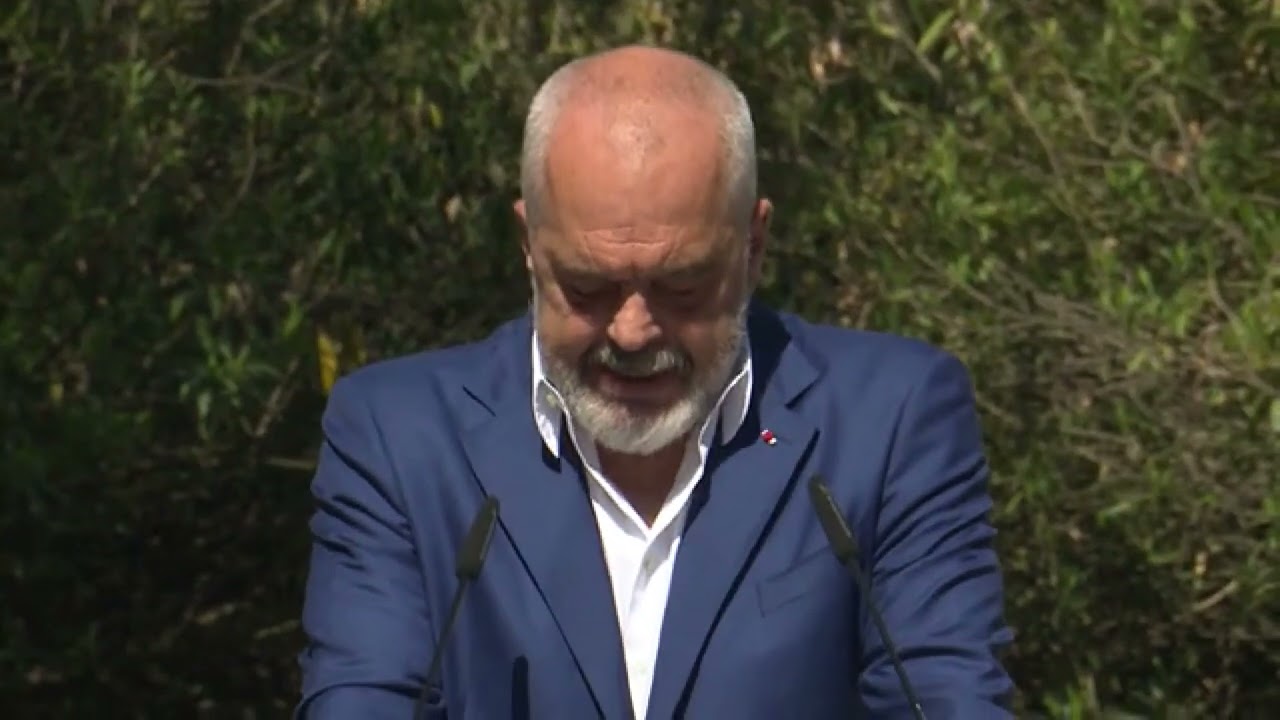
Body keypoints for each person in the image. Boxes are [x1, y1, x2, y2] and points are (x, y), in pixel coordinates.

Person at [296, 45, 1014, 719]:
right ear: (528, 245)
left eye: (681, 288)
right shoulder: (401, 439)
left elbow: (945, 695)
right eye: (588, 288)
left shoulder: (889, 420)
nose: (633, 332)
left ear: (754, 246)